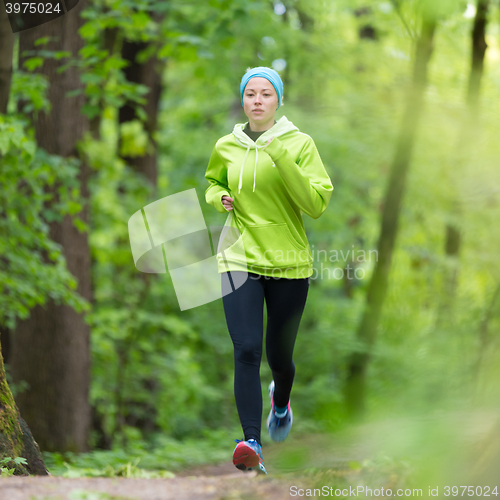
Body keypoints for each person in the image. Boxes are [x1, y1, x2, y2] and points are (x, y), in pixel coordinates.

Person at [204, 66, 333, 474]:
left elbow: (315, 205)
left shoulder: (300, 144)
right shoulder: (227, 144)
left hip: (288, 262)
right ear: (243, 100)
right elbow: (212, 181)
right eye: (250, 94)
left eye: (266, 94)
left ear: (277, 101)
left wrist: (278, 152)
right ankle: (251, 441)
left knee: (279, 356)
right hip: (238, 257)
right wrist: (218, 195)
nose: (257, 101)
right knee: (245, 349)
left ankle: (281, 400)